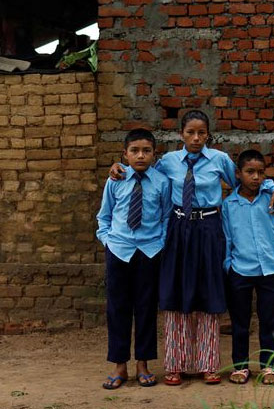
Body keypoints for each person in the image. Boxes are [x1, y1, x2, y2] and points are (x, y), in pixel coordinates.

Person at [109, 110, 274, 385]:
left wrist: (272, 187)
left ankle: (207, 362)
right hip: (178, 229)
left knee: (208, 293)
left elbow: (245, 181)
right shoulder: (168, 162)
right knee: (175, 292)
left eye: (202, 133)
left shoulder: (219, 160)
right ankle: (175, 363)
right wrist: (118, 167)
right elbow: (143, 172)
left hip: (209, 228)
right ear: (181, 134)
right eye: (190, 132)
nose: (196, 138)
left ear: (208, 135)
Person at [96, 128, 172, 390]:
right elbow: (104, 216)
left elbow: (165, 217)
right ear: (125, 154)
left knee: (146, 308)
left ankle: (143, 363)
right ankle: (119, 366)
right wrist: (108, 241)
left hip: (149, 252)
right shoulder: (116, 179)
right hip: (119, 250)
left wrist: (160, 244)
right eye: (135, 151)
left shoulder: (162, 182)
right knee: (117, 308)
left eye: (146, 151)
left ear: (154, 154)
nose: (141, 156)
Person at [222, 149, 274, 385]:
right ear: (238, 174)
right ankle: (240, 366)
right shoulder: (229, 205)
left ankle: (269, 366)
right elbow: (227, 238)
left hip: (270, 270)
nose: (256, 177)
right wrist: (229, 267)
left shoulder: (270, 199)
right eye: (250, 172)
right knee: (240, 322)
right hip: (240, 271)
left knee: (270, 320)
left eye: (261, 172)